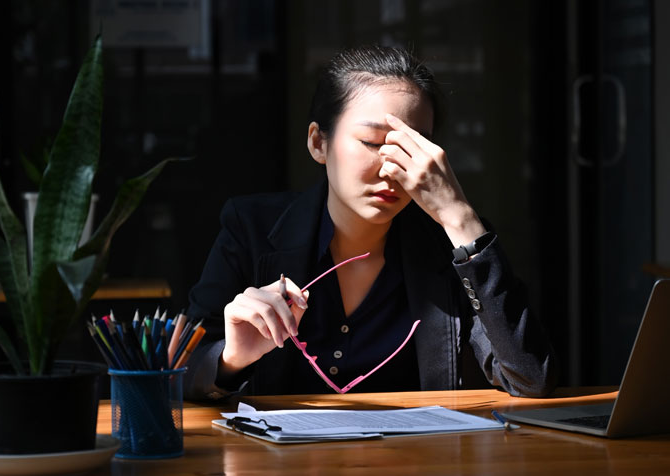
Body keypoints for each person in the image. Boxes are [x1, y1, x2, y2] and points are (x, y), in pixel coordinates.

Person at [184, 44, 557, 400]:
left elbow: (529, 378)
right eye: (373, 143)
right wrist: (230, 360)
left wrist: (458, 216)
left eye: (411, 147)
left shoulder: (452, 246)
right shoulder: (251, 229)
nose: (392, 167)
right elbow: (178, 371)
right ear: (318, 143)